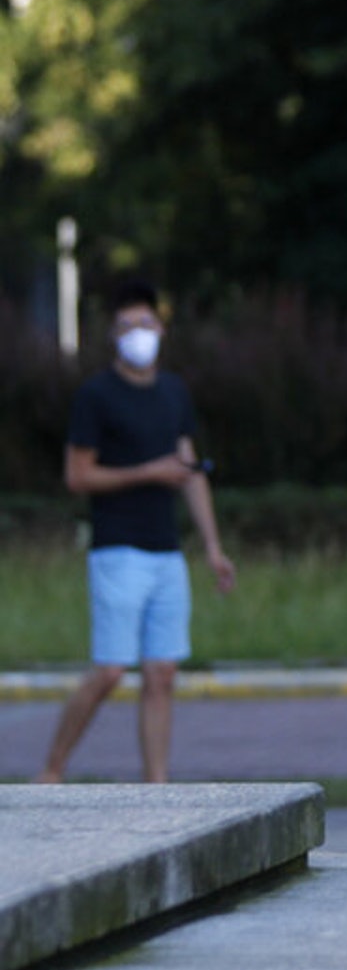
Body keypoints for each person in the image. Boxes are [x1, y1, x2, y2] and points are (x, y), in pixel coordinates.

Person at [36, 279, 236, 785]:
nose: (138, 334)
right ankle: (53, 768)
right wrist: (150, 472)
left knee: (162, 674)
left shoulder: (173, 392)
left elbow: (189, 472)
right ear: (112, 334)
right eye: (127, 326)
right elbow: (78, 476)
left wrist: (212, 547)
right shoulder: (96, 395)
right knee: (109, 670)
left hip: (166, 552)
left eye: (145, 323)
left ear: (161, 328)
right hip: (117, 550)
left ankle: (157, 784)